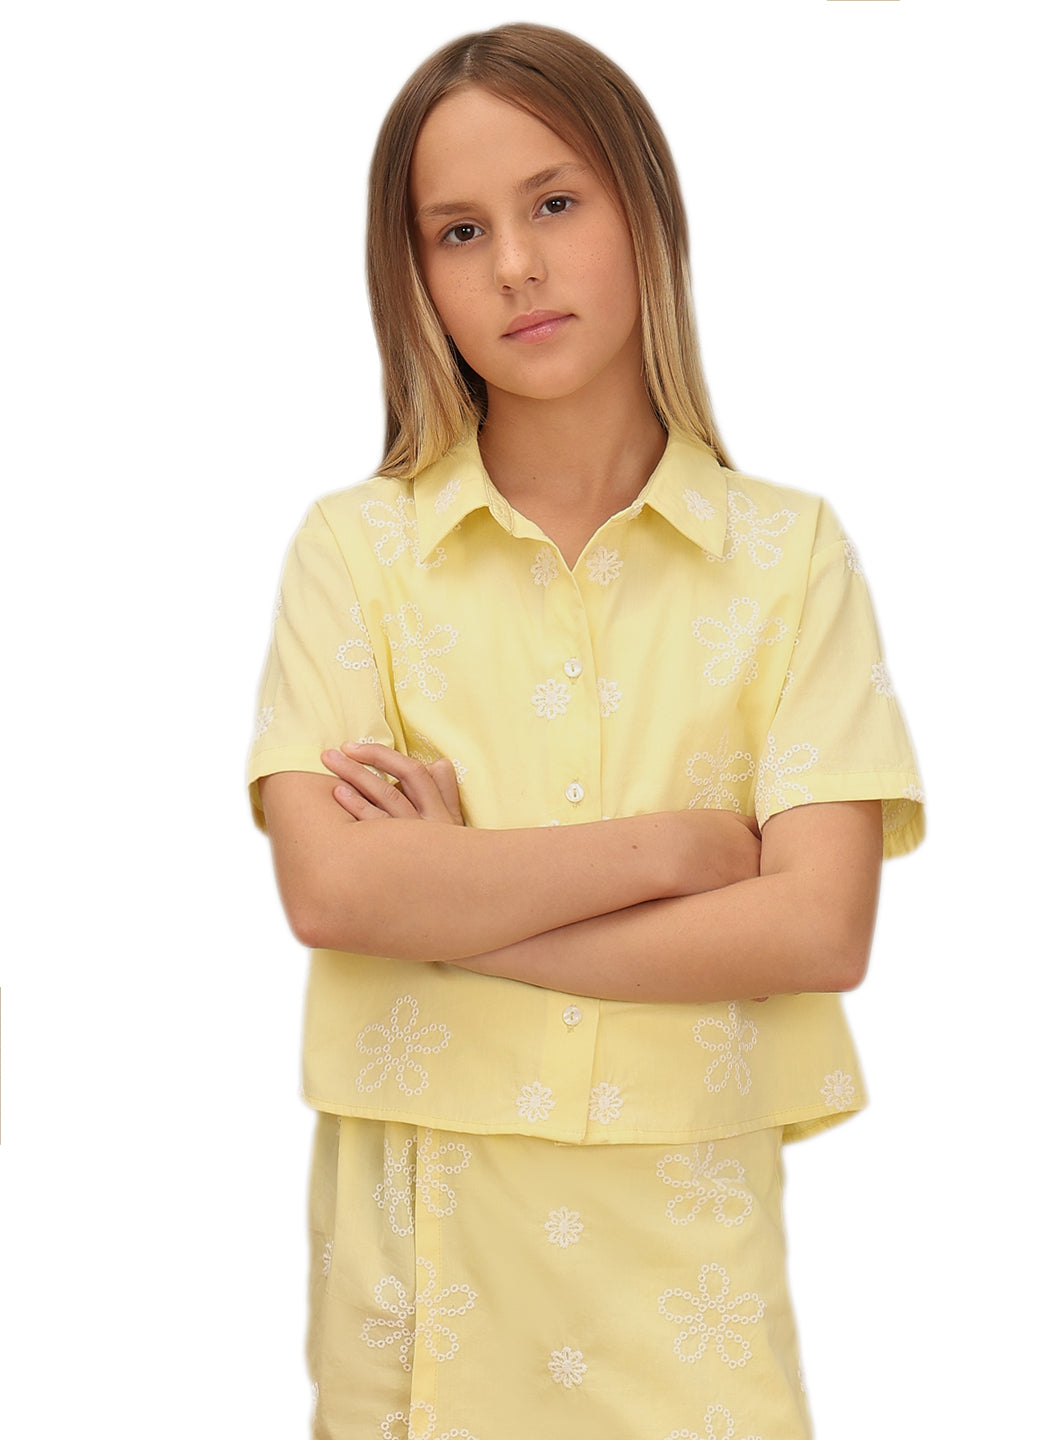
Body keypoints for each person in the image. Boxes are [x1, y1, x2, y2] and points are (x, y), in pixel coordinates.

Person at [249, 22, 923, 1439]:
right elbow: (336, 891)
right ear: (412, 275)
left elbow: (818, 929)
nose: (514, 265)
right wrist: (679, 853)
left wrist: (452, 907)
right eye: (459, 230)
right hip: (423, 1262)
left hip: (691, 1288)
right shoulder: (357, 556)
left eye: (554, 203)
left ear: (645, 214)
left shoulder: (787, 558)